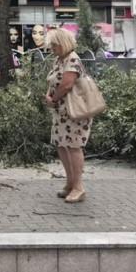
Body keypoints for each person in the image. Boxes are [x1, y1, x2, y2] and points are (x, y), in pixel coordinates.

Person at [44, 28, 91, 204]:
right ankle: (70, 183)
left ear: (63, 43)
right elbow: (54, 81)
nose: (52, 49)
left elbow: (66, 85)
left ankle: (79, 187)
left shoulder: (72, 59)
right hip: (61, 111)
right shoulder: (59, 59)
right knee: (62, 145)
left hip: (74, 111)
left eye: (54, 45)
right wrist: (49, 97)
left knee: (73, 146)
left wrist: (53, 99)